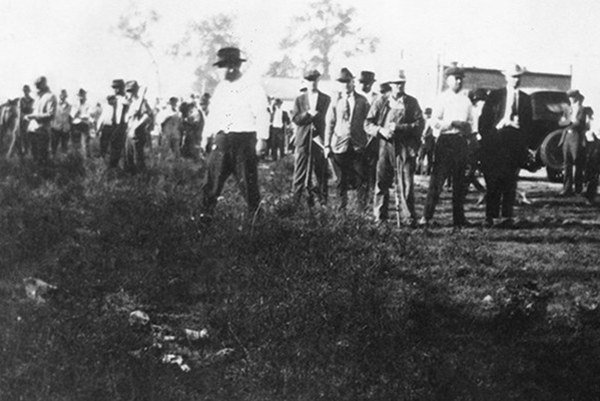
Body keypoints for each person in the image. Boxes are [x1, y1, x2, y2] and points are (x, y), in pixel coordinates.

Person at [199, 47, 269, 218]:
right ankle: (203, 223)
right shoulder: (221, 88)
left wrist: (262, 139)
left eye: (221, 66)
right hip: (222, 141)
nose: (218, 71)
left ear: (232, 66)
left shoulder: (252, 87)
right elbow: (213, 114)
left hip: (243, 143)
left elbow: (262, 113)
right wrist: (205, 136)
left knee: (249, 186)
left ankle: (257, 225)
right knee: (211, 184)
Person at [365, 70, 424, 226]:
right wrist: (381, 130)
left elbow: (419, 125)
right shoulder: (380, 101)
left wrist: (400, 127)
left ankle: (409, 218)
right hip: (385, 146)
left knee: (406, 184)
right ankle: (379, 218)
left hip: (405, 147)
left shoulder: (412, 102)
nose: (399, 86)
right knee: (382, 182)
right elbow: (368, 124)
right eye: (396, 83)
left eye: (402, 83)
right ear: (390, 84)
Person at [478, 63, 533, 228]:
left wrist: (525, 143)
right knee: (494, 180)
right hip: (496, 141)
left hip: (514, 142)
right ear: (506, 78)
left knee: (510, 180)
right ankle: (490, 216)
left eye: (518, 77)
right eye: (513, 77)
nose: (516, 80)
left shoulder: (525, 98)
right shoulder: (495, 96)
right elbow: (484, 121)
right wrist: (494, 130)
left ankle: (507, 216)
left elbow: (529, 124)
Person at [420, 66, 473, 228]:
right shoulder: (442, 98)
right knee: (437, 181)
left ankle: (459, 219)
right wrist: (451, 123)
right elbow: (434, 121)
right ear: (447, 80)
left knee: (459, 182)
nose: (459, 81)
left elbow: (471, 121)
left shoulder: (466, 100)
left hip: (460, 142)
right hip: (445, 141)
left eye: (460, 79)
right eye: (455, 78)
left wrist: (468, 130)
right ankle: (426, 217)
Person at [324, 68, 371, 212]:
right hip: (339, 145)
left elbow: (369, 122)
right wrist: (326, 145)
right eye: (342, 82)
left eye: (348, 81)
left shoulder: (362, 100)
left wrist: (367, 142)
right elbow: (329, 123)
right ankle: (341, 209)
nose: (345, 85)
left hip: (358, 145)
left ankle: (361, 211)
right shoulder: (335, 101)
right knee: (340, 180)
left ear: (353, 82)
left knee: (361, 178)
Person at [291, 69, 331, 208]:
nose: (312, 82)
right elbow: (295, 118)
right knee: (299, 172)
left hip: (319, 139)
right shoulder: (299, 99)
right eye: (309, 80)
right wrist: (308, 114)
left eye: (314, 80)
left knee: (321, 171)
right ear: (305, 81)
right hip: (303, 139)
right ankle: (295, 202)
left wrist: (317, 116)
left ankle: (322, 202)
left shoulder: (326, 99)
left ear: (318, 81)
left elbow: (328, 118)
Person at [559, 89, 587, 196]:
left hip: (577, 137)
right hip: (567, 137)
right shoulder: (568, 109)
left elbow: (580, 123)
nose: (571, 99)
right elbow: (560, 122)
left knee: (578, 162)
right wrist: (569, 122)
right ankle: (567, 188)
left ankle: (578, 188)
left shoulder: (582, 109)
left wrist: (568, 123)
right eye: (570, 97)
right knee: (567, 163)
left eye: (573, 97)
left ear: (577, 97)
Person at [24, 76, 57, 164]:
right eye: (36, 86)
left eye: (38, 85)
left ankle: (44, 176)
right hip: (33, 131)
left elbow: (50, 115)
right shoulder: (38, 97)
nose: (36, 88)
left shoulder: (50, 96)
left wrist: (33, 116)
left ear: (44, 84)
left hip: (42, 132)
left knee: (42, 158)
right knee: (34, 157)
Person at [124, 80, 153, 174]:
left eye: (131, 90)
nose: (130, 93)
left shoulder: (142, 102)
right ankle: (131, 178)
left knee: (138, 158)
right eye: (128, 91)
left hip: (137, 134)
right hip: (129, 132)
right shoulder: (131, 103)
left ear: (136, 91)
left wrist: (136, 126)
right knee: (129, 157)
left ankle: (142, 179)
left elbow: (147, 116)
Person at [583, 107, 599, 203]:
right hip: (594, 145)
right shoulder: (593, 120)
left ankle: (590, 196)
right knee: (593, 172)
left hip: (596, 146)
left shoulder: (595, 121)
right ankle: (590, 196)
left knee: (593, 172)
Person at [71, 88, 93, 157]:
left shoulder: (88, 104)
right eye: (80, 96)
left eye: (82, 95)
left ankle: (86, 157)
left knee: (85, 143)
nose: (81, 98)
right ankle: (76, 157)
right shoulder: (75, 104)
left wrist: (80, 116)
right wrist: (80, 115)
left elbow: (88, 115)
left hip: (84, 124)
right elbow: (72, 115)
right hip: (76, 124)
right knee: (75, 142)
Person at [50, 89, 71, 156]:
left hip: (65, 128)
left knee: (64, 146)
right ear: (59, 96)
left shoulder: (69, 106)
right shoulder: (54, 105)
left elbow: (70, 117)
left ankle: (64, 161)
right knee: (54, 145)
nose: (62, 97)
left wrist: (69, 127)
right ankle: (53, 160)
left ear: (66, 96)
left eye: (64, 95)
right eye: (61, 95)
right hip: (56, 127)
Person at [97, 94, 117, 160]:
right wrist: (99, 129)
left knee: (113, 143)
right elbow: (102, 118)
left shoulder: (117, 108)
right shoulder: (106, 108)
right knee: (104, 142)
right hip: (106, 127)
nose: (110, 101)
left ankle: (112, 157)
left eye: (112, 99)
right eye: (109, 100)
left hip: (114, 126)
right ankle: (102, 156)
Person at [416, 107, 435, 175]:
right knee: (421, 156)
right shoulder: (424, 121)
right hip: (424, 141)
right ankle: (419, 170)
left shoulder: (431, 122)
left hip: (428, 141)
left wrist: (423, 136)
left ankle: (427, 171)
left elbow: (430, 132)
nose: (426, 115)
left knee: (428, 157)